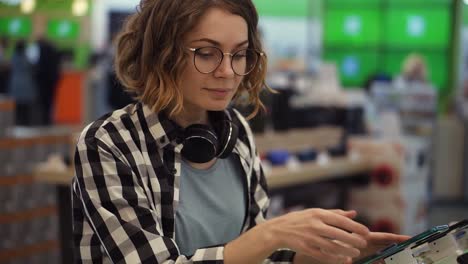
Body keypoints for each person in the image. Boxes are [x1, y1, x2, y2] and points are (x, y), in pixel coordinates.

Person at [71, 1, 409, 263]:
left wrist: (328, 255)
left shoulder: (237, 133)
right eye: (206, 53)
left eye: (240, 54)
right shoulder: (108, 144)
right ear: (163, 54)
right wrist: (274, 233)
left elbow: (261, 256)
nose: (228, 72)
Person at [7, 40, 38, 126]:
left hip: (15, 83)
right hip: (26, 83)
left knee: (17, 106)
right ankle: (25, 123)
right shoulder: (26, 58)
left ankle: (17, 123)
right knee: (25, 107)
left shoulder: (13, 57)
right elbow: (32, 68)